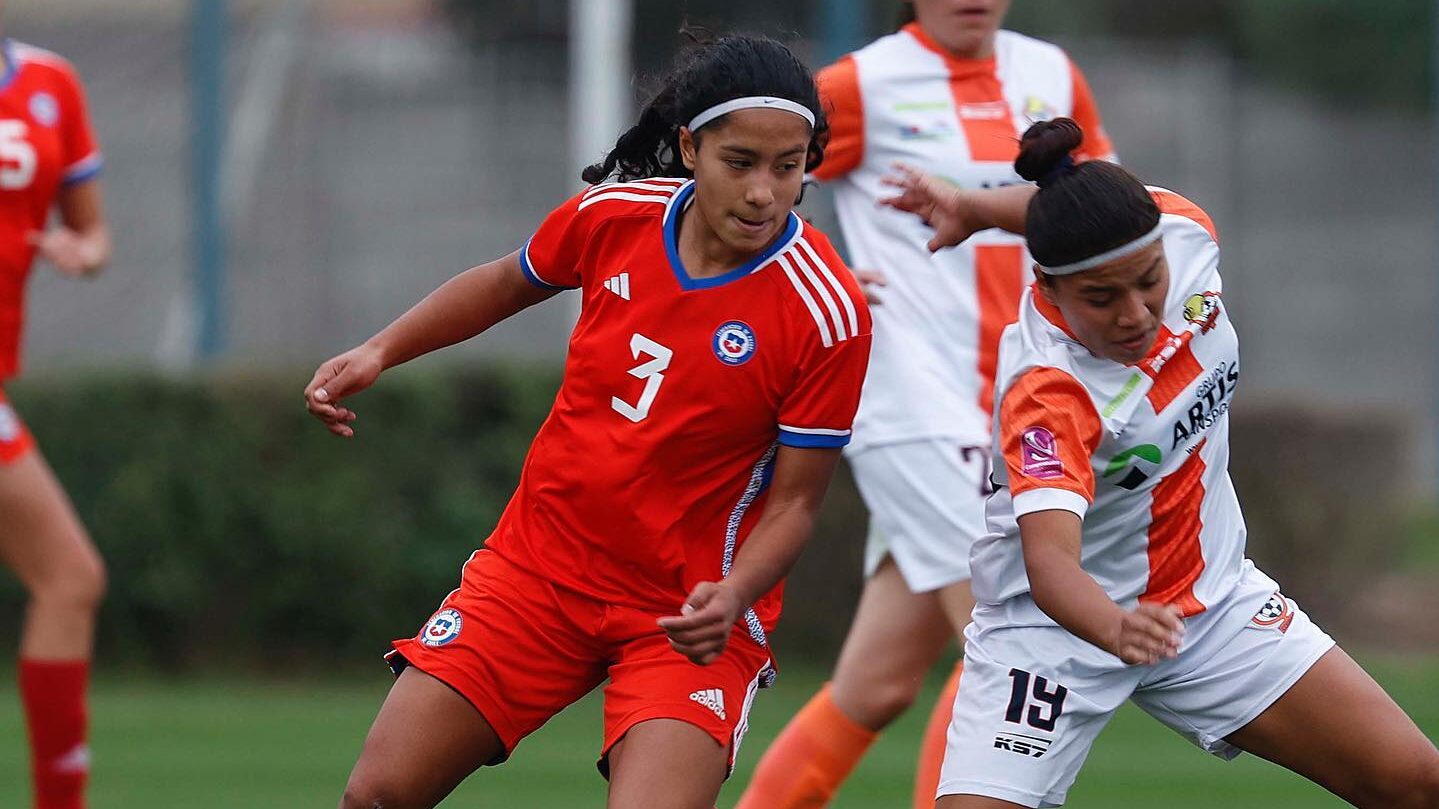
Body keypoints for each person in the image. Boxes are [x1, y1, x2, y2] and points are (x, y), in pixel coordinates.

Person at [303, 33, 872, 809]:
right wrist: (380, 350)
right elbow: (506, 282)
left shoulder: (825, 311)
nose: (764, 192)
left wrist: (734, 593)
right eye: (739, 162)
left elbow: (797, 502)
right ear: (688, 147)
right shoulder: (613, 217)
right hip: (538, 573)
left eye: (788, 166)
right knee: (378, 793)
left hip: (684, 611)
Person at [878, 117, 1439, 808]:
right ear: (1049, 290)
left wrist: (970, 206)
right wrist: (1116, 628)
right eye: (1101, 298)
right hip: (1051, 635)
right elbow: (1051, 565)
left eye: (1147, 280)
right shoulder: (1047, 390)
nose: (1135, 312)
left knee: (1416, 782)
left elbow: (1067, 205)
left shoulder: (1179, 227)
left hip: (1210, 604)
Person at [736, 2, 1114, 807]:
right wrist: (798, 263)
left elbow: (1095, 212)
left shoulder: (1049, 73)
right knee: (1008, 636)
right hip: (906, 397)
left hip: (1009, 398)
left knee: (876, 686)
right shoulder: (863, 84)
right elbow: (736, 170)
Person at [0, 32, 111, 809]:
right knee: (70, 574)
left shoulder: (49, 81)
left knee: (67, 578)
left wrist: (84, 249)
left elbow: (94, 231)